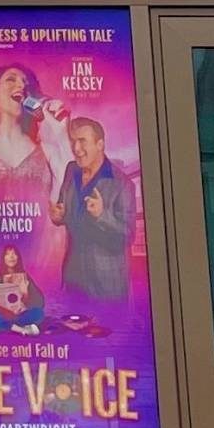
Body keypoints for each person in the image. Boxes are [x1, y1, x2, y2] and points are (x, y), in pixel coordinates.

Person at [48, 116, 133, 302]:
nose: (76, 149)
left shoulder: (122, 184)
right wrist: (58, 216)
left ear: (100, 144)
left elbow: (127, 236)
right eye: (73, 141)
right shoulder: (71, 170)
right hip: (73, 281)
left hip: (105, 288)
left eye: (82, 141)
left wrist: (102, 215)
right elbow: (65, 210)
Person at [0, 61, 71, 190]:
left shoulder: (48, 152)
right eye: (10, 80)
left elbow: (71, 192)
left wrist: (61, 132)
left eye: (26, 84)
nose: (21, 85)